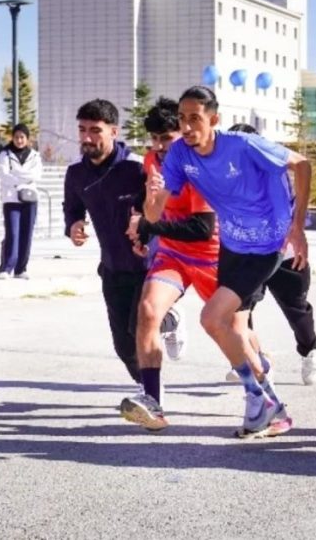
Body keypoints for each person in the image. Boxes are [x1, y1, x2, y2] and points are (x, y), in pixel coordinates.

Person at [146, 85, 310, 438]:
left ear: (214, 120)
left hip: (268, 243)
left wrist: (297, 226)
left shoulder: (242, 145)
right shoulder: (178, 155)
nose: (187, 127)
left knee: (211, 317)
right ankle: (275, 410)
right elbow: (154, 211)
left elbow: (302, 164)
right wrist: (151, 199)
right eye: (182, 119)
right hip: (233, 244)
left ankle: (257, 399)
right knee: (235, 329)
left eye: (195, 118)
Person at [119, 99, 220, 430]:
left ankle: (264, 386)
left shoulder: (200, 167)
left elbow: (202, 228)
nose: (159, 146)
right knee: (147, 310)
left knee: (235, 330)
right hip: (172, 252)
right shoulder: (152, 160)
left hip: (210, 254)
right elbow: (149, 203)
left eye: (166, 137)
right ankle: (153, 403)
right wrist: (142, 222)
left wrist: (151, 227)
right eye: (154, 139)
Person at [63, 99, 152, 403]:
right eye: (82, 130)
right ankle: (146, 384)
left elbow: (163, 206)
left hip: (147, 266)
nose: (87, 137)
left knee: (138, 327)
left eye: (95, 131)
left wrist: (145, 218)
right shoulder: (76, 174)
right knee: (123, 346)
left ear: (114, 131)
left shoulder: (137, 168)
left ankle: (153, 392)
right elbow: (72, 207)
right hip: (112, 268)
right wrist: (74, 225)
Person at [227, 123, 316, 386]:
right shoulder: (228, 175)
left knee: (297, 310)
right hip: (248, 254)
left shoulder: (276, 171)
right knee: (239, 308)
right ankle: (251, 358)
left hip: (285, 254)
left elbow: (291, 213)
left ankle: (309, 350)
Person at [0, 123, 42, 279]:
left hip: (30, 198)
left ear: (27, 139)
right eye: (16, 137)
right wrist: (23, 178)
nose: (19, 140)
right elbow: (4, 175)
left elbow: (36, 175)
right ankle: (6, 268)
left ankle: (21, 269)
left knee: (26, 234)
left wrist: (17, 175)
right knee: (12, 233)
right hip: (11, 199)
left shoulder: (35, 155)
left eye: (22, 137)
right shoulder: (5, 154)